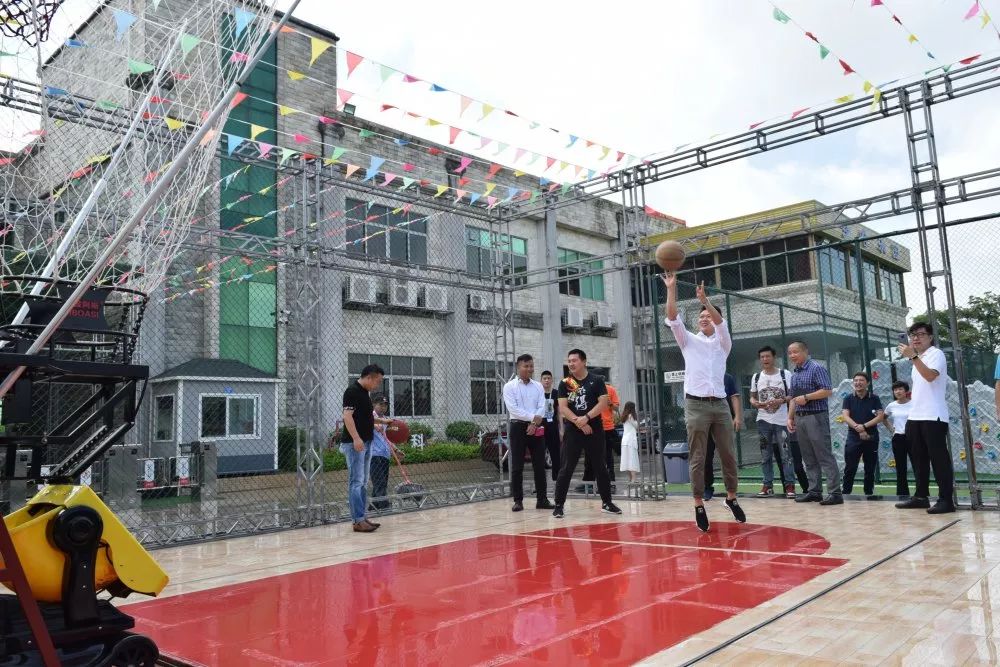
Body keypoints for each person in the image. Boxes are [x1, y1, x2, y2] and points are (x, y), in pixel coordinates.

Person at [661, 273, 746, 532]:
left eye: (707, 315)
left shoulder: (723, 343)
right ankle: (698, 503)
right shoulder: (688, 340)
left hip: (719, 405)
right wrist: (672, 288)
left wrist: (706, 301)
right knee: (698, 456)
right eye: (700, 315)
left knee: (728, 455)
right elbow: (673, 316)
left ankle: (731, 498)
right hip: (696, 405)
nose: (703, 317)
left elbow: (721, 323)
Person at [552, 349, 622, 518]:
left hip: (595, 429)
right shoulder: (566, 383)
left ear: (583, 361)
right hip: (574, 430)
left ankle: (607, 502)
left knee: (600, 466)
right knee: (566, 468)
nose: (571, 364)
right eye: (569, 361)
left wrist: (587, 417)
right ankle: (559, 505)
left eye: (574, 360)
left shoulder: (596, 380)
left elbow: (604, 403)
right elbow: (563, 408)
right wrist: (579, 421)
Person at [896, 322, 955, 514]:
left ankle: (946, 500)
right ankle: (921, 497)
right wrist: (914, 357)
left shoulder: (935, 354)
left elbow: (930, 376)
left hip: (933, 415)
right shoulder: (918, 358)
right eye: (913, 335)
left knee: (939, 459)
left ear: (930, 337)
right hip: (916, 415)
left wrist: (912, 356)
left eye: (920, 334)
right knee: (918, 459)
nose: (915, 338)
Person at [787, 341, 841, 505]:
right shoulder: (795, 373)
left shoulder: (816, 368)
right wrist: (790, 417)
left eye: (795, 352)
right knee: (808, 456)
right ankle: (814, 491)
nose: (792, 356)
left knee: (824, 454)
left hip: (816, 416)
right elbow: (793, 398)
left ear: (805, 352)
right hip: (800, 417)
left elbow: (827, 390)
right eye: (790, 353)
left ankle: (835, 493)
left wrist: (807, 397)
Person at [502, 353, 552, 512]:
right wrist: (533, 419)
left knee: (539, 465)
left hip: (536, 427)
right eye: (526, 366)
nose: (530, 369)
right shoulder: (509, 387)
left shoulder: (538, 385)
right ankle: (518, 500)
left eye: (531, 366)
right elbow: (513, 410)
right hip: (518, 427)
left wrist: (534, 423)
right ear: (518, 367)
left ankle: (542, 499)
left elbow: (542, 406)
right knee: (517, 466)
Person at [341, 363, 385, 533]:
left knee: (363, 481)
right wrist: (356, 438)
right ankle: (357, 520)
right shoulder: (352, 391)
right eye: (378, 381)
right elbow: (347, 416)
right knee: (356, 481)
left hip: (366, 442)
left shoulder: (365, 393)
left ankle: (362, 516)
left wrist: (381, 422)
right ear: (369, 377)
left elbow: (364, 418)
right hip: (355, 444)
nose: (378, 385)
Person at [749, 346, 797, 499]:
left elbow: (793, 396)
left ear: (774, 357)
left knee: (786, 455)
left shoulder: (785, 374)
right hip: (763, 420)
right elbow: (751, 397)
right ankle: (767, 485)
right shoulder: (756, 377)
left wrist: (781, 400)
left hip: (782, 421)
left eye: (767, 356)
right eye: (762, 357)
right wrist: (755, 403)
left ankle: (789, 485)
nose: (765, 359)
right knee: (765, 455)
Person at [841, 372, 885, 498]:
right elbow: (845, 416)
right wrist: (858, 428)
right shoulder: (848, 398)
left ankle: (868, 493)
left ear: (868, 383)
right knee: (850, 466)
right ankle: (846, 492)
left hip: (871, 436)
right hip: (853, 436)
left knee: (870, 467)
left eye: (861, 380)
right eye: (855, 380)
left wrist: (864, 426)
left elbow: (880, 416)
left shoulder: (874, 398)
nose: (858, 383)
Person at [703, 373, 741, 501]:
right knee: (706, 456)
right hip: (705, 423)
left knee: (727, 456)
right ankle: (707, 488)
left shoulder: (727, 377)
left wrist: (737, 416)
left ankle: (731, 490)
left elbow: (734, 396)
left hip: (723, 422)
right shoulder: (701, 376)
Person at [369, 395, 401, 511]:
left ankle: (373, 507)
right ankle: (385, 507)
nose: (383, 407)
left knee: (381, 483)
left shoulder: (386, 419)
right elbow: (361, 422)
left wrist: (396, 450)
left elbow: (387, 439)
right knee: (380, 483)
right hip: (374, 455)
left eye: (385, 405)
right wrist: (372, 425)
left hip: (384, 455)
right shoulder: (370, 416)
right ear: (373, 405)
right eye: (380, 405)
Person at [884, 381, 914, 498]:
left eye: (900, 389)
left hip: (912, 438)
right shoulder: (891, 405)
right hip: (898, 438)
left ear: (906, 391)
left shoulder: (914, 404)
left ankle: (921, 493)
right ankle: (902, 494)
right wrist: (892, 429)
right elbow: (884, 418)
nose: (898, 391)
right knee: (901, 467)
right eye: (895, 390)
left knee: (917, 465)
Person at [540, 370, 561, 482]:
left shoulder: (556, 393)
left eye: (549, 378)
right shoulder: (538, 393)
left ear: (552, 380)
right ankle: (540, 482)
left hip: (552, 425)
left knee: (555, 453)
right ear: (541, 380)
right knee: (539, 454)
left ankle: (557, 478)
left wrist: (561, 429)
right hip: (541, 425)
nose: (547, 380)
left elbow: (559, 412)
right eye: (544, 378)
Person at [619, 401, 640, 482]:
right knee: (632, 459)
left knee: (626, 460)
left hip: (624, 441)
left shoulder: (624, 416)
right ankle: (633, 479)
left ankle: (630, 478)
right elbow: (636, 426)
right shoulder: (631, 416)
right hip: (631, 440)